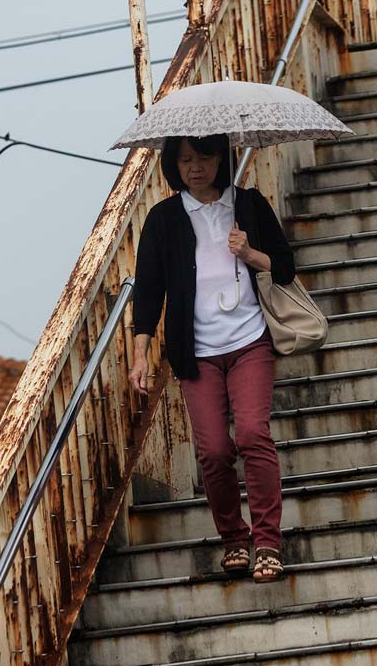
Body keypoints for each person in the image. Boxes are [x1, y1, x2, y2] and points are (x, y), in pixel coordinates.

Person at [129, 134, 294, 583]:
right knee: (216, 450)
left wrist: (249, 253)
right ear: (174, 165)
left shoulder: (249, 205)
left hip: (249, 341)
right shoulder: (163, 219)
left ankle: (266, 542)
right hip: (196, 351)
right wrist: (140, 353)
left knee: (254, 434)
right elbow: (147, 291)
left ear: (220, 157)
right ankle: (233, 539)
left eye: (203, 156)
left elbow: (285, 266)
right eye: (185, 160)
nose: (195, 167)